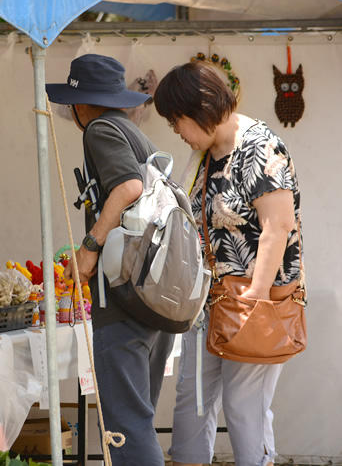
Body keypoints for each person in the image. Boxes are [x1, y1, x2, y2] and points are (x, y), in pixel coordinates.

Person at [153, 62, 302, 466]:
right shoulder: (204, 154)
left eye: (176, 121)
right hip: (209, 305)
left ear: (198, 109)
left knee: (243, 405)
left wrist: (254, 298)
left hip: (254, 302)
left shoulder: (259, 146)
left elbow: (278, 225)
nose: (177, 132)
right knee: (194, 397)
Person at [46, 54, 175, 465]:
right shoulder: (135, 134)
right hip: (156, 295)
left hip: (123, 298)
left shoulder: (100, 130)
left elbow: (129, 188)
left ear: (82, 104)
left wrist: (89, 246)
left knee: (125, 427)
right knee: (138, 419)